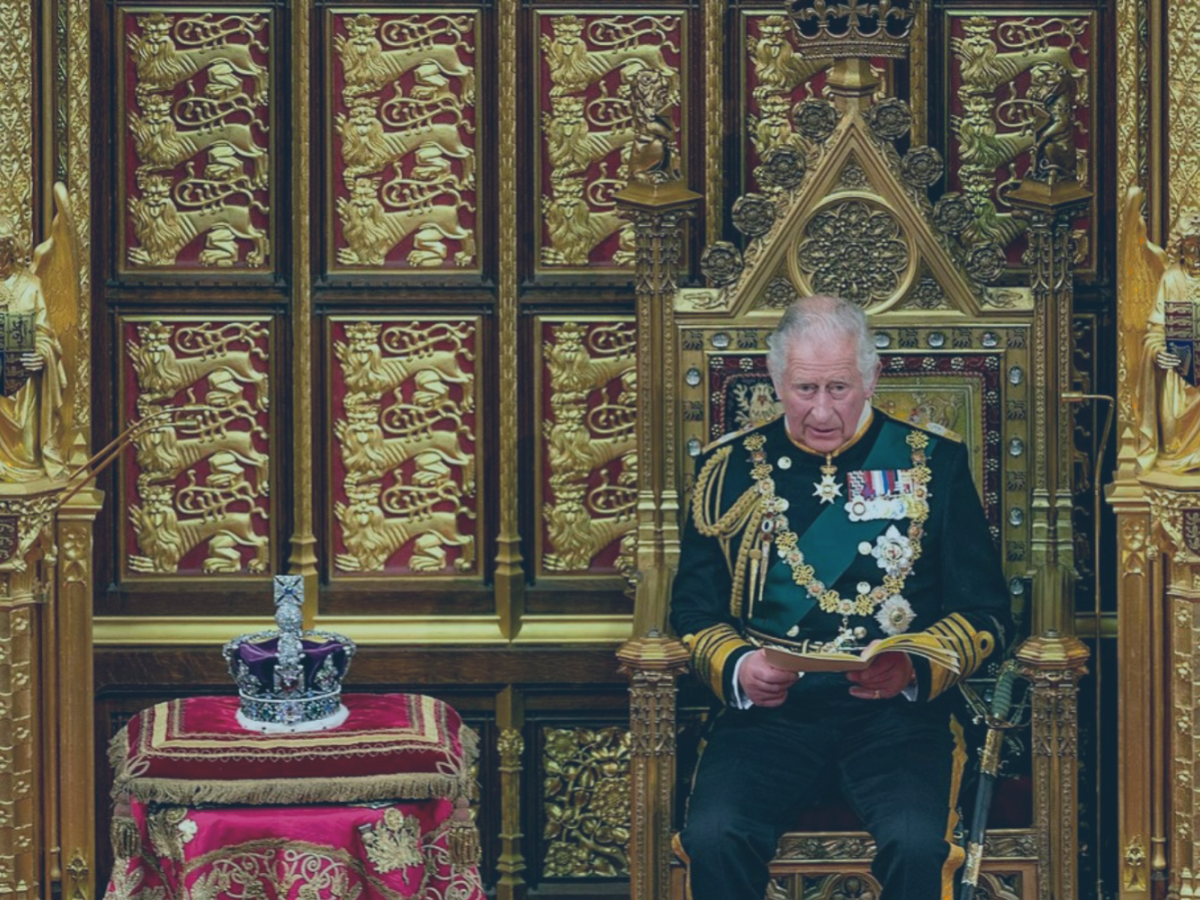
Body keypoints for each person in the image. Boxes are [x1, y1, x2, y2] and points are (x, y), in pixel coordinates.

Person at [671, 295, 1010, 899]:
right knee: (714, 835)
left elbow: (987, 613)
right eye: (804, 389)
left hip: (897, 719)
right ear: (776, 381)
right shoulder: (727, 472)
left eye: (839, 388)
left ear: (872, 378)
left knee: (915, 842)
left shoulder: (934, 463)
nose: (822, 411)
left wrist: (912, 666)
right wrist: (741, 667)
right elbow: (693, 612)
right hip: (771, 720)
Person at [0, 217, 67, 482]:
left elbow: (45, 332)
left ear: (10, 249)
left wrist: (41, 351)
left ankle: (26, 463)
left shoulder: (31, 285)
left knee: (26, 455)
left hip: (22, 381)